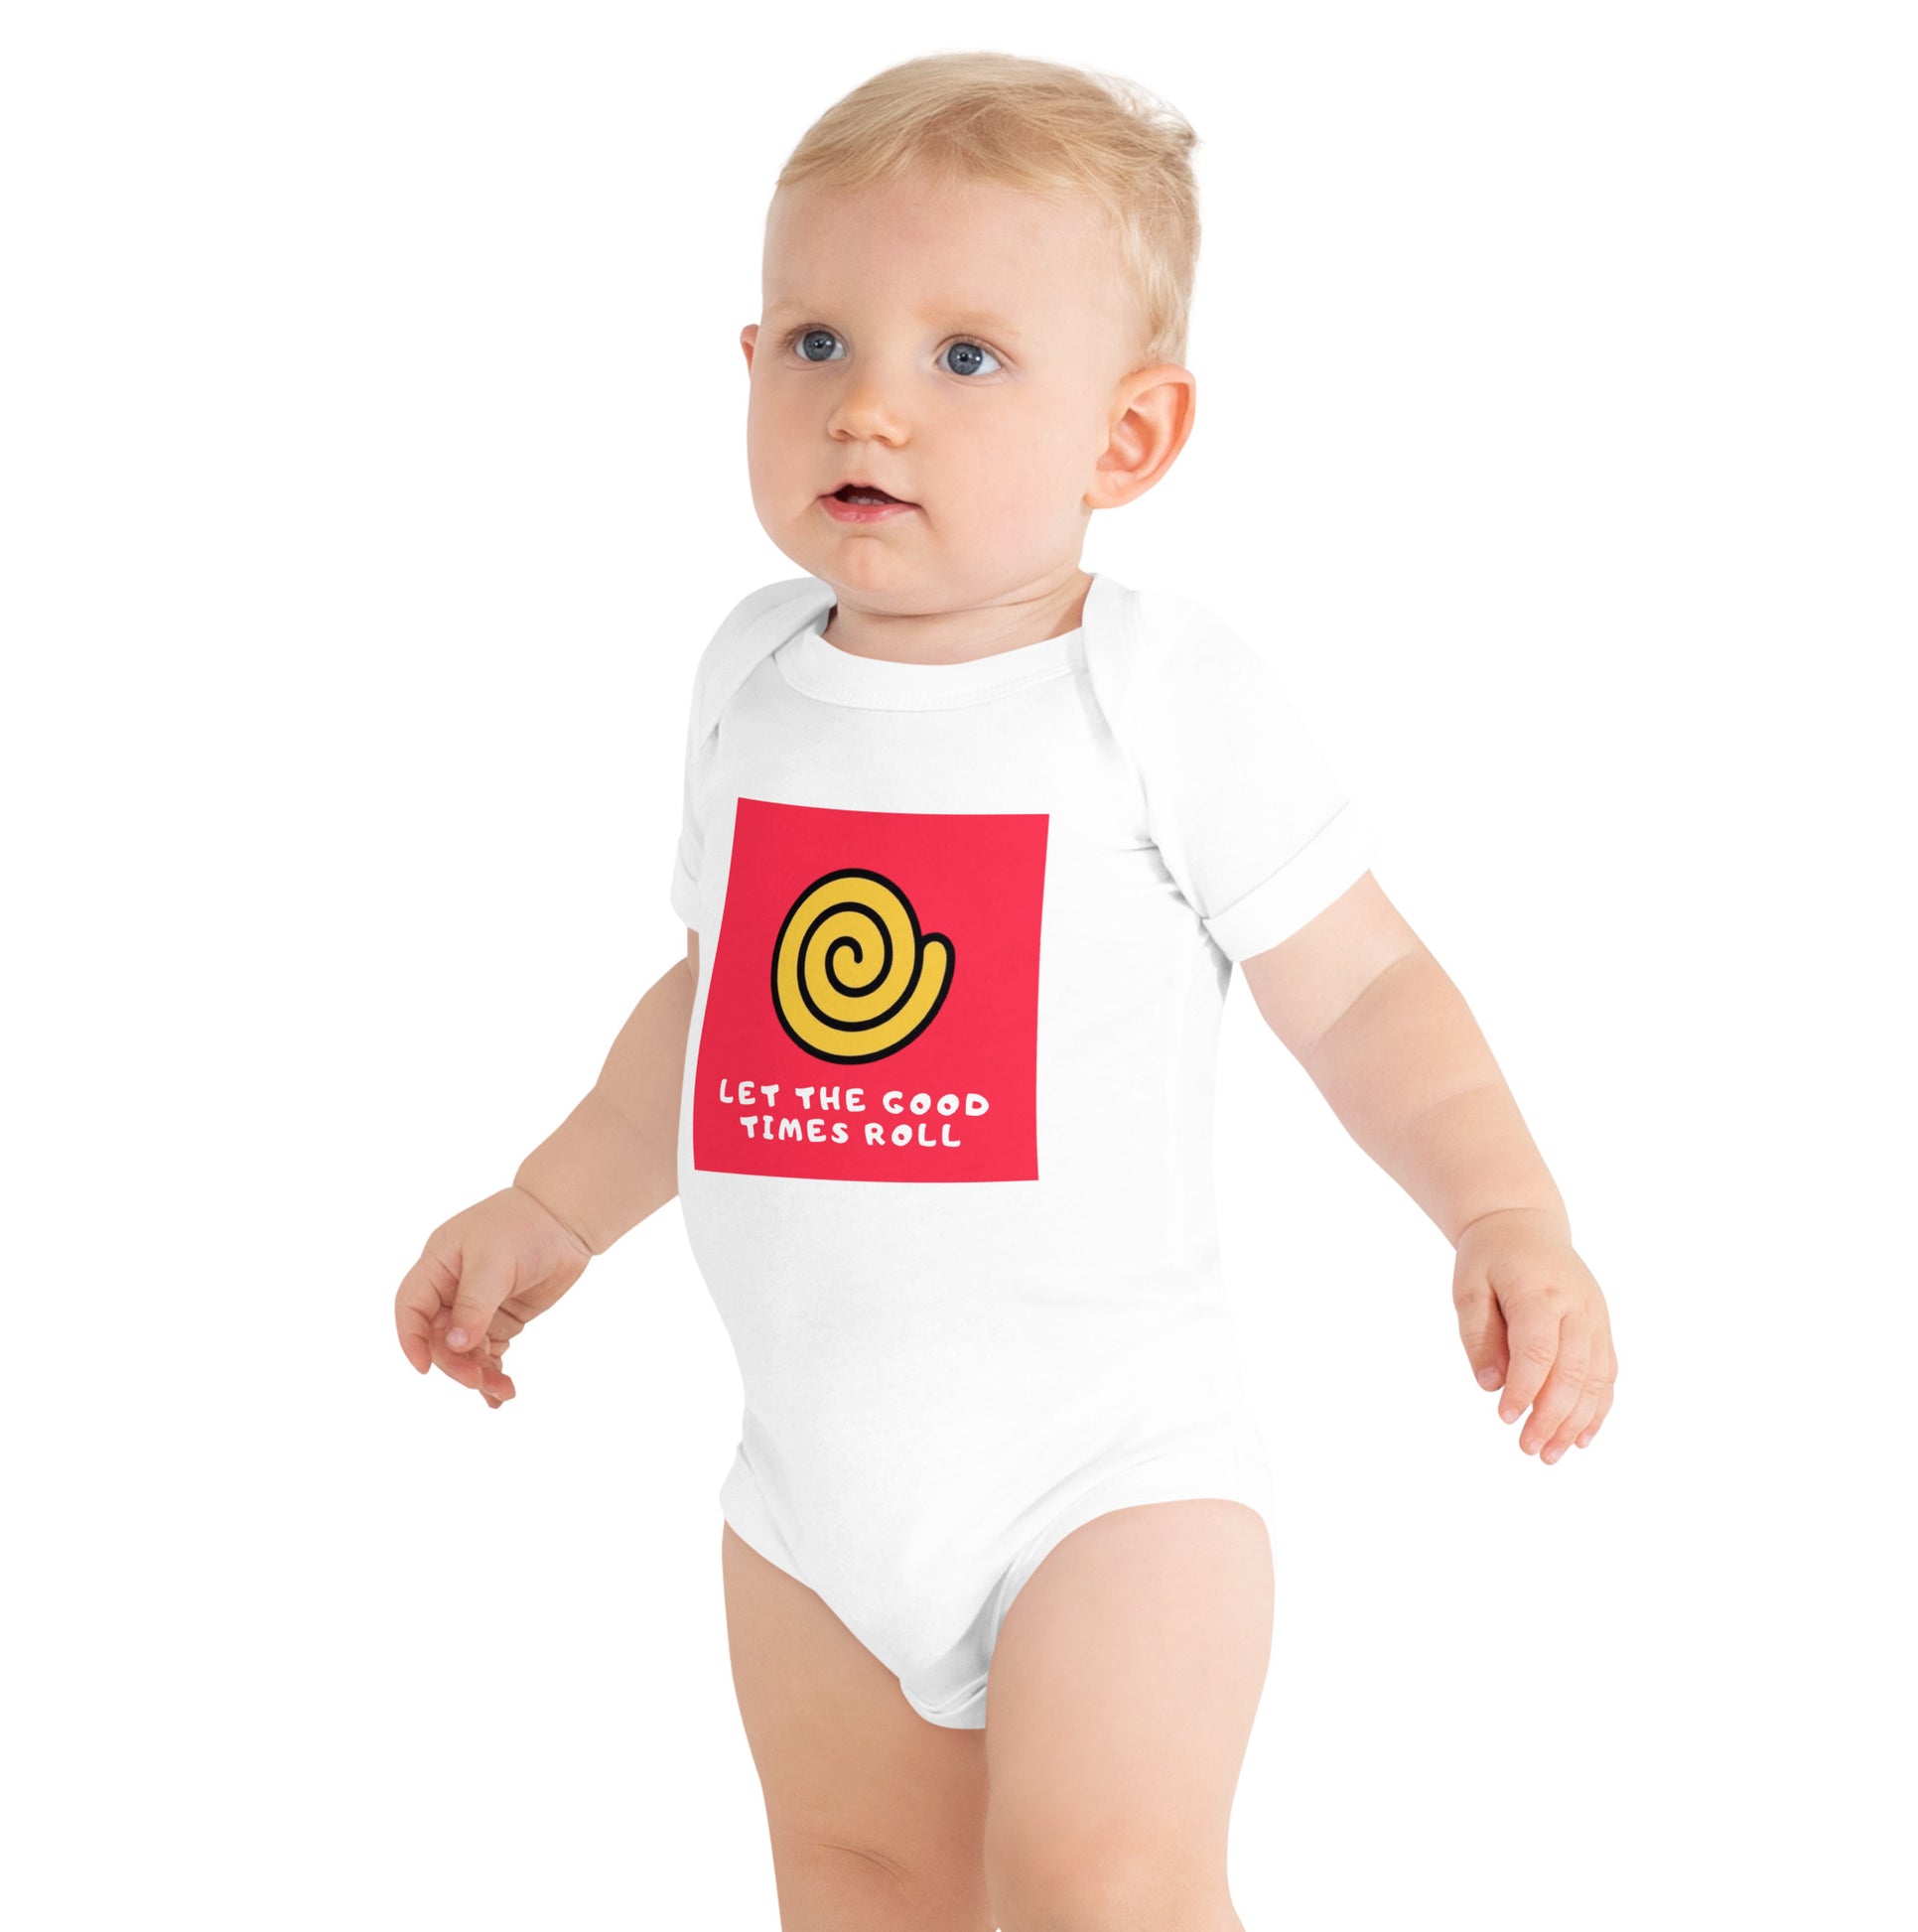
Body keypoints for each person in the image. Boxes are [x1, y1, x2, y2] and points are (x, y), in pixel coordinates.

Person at [393, 50, 1617, 1932]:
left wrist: (1501, 1208)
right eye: (817, 342)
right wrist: (553, 1201)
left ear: (1126, 438)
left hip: (1105, 1476)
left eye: (965, 355)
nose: (869, 400)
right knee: (860, 1886)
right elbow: (724, 1001)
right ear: (746, 363)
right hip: (810, 1493)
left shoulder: (1150, 691)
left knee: (1103, 1886)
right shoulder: (749, 678)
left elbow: (1364, 982)